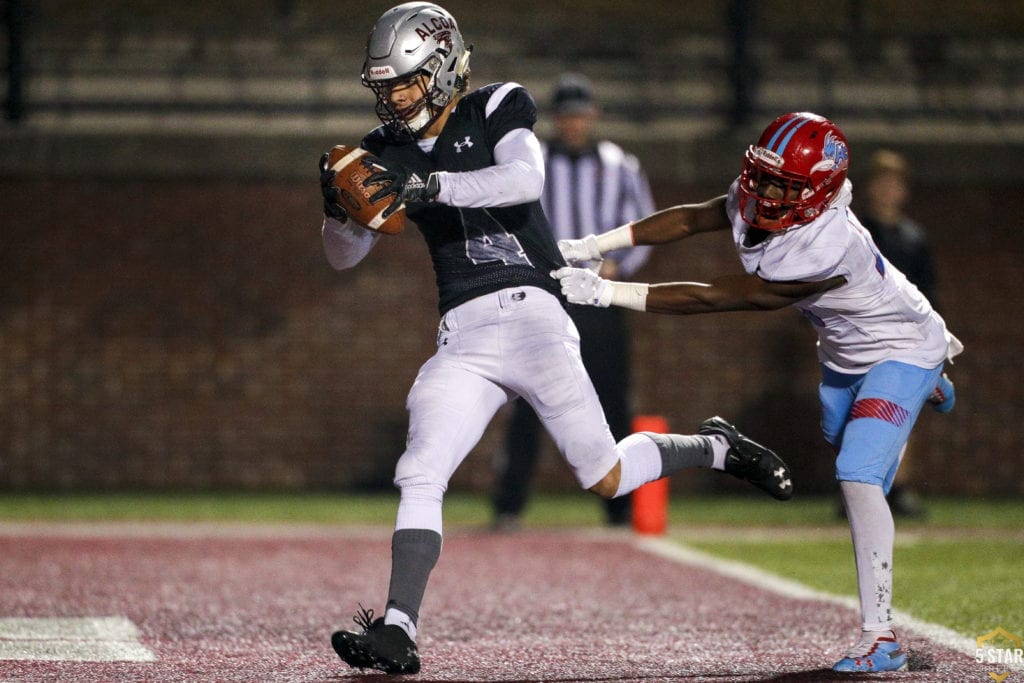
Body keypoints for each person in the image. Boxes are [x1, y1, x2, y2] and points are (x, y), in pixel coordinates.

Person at [319, 3, 794, 675]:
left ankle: (716, 445)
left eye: (407, 81)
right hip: (464, 333)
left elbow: (522, 180)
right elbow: (343, 255)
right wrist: (339, 210)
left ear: (445, 67)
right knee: (421, 468)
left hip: (537, 310)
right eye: (386, 86)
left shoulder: (497, 106)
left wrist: (429, 184)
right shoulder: (383, 149)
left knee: (605, 474)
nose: (395, 97)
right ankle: (398, 627)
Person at [553, 111, 961, 674]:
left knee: (858, 473)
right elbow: (695, 218)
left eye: (784, 186)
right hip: (843, 348)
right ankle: (932, 383)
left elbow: (719, 297)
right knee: (839, 436)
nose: (766, 193)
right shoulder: (767, 194)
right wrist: (591, 243)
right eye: (763, 177)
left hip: (898, 346)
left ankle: (881, 637)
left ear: (818, 192)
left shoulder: (825, 244)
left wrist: (606, 291)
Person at [492, 73, 655, 530]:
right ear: (557, 119)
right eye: (567, 116)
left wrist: (620, 270)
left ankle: (619, 506)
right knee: (528, 397)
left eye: (581, 115)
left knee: (610, 400)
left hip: (600, 299)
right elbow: (510, 223)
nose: (574, 124)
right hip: (546, 297)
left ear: (592, 116)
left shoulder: (621, 164)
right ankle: (509, 505)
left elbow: (645, 228)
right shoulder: (533, 163)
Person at [856, 149, 940, 517]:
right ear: (870, 187)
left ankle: (898, 487)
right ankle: (859, 487)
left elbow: (927, 294)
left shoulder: (913, 238)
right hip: (861, 335)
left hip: (905, 338)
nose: (889, 190)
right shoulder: (857, 233)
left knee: (902, 414)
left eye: (896, 183)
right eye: (882, 182)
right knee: (860, 412)